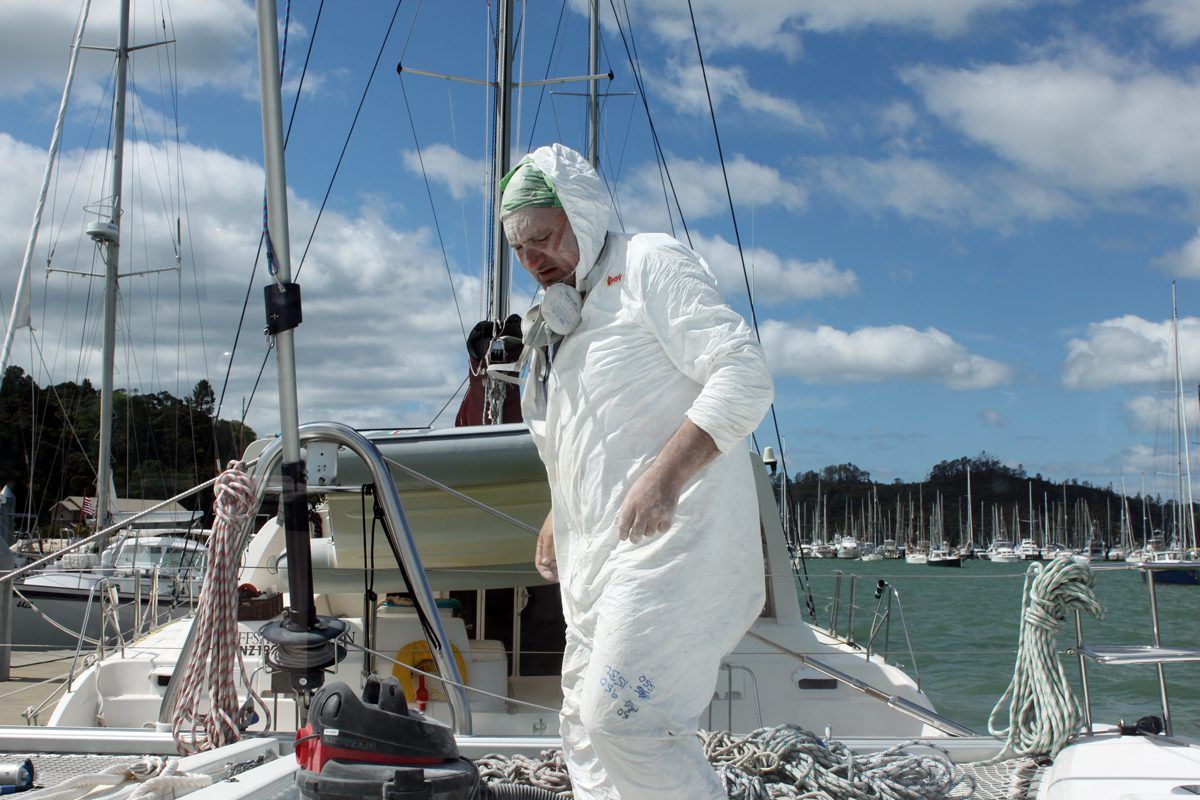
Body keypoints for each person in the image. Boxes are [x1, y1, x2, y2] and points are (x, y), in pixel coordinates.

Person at [500, 144, 774, 800]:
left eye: (542, 237)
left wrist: (666, 478)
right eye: (519, 247)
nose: (533, 258)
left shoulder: (651, 262)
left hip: (672, 542)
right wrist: (555, 515)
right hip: (594, 554)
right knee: (583, 728)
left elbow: (743, 373)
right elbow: (584, 438)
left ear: (584, 216)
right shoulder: (557, 322)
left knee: (625, 722)